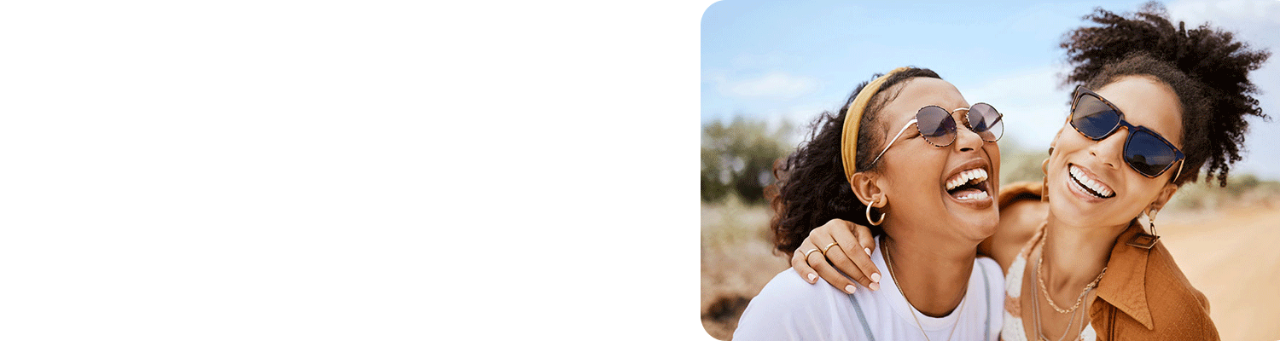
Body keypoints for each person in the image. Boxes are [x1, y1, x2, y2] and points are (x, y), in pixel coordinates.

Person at [791, 3, 1269, 340]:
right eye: (1096, 119)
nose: (1106, 153)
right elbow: (917, 226)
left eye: (1147, 152)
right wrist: (842, 232)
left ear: (1163, 193)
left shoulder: (1168, 323)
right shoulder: (996, 232)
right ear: (1063, 130)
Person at [732, 66, 1007, 341]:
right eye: (933, 126)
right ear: (872, 188)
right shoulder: (800, 309)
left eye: (976, 122)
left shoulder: (996, 287)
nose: (973, 138)